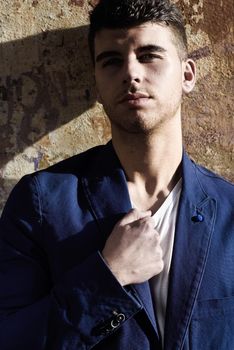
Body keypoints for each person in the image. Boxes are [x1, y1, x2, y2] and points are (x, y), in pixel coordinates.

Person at [0, 0, 233, 349]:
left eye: (150, 55)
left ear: (187, 75)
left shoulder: (229, 210)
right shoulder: (41, 202)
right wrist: (107, 277)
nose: (131, 73)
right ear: (96, 82)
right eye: (111, 61)